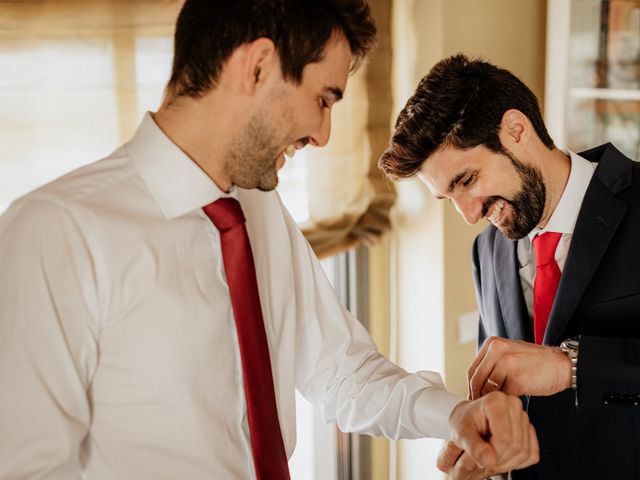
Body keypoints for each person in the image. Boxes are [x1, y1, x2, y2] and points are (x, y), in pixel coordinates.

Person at [0, 5, 539, 479]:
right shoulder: (55, 234)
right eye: (323, 99)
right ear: (257, 66)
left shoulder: (258, 212)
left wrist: (454, 415)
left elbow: (342, 372)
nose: (324, 135)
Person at [379, 52, 640, 479]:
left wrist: (569, 366)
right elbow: (510, 397)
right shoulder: (487, 252)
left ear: (516, 130)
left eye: (466, 180)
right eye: (448, 197)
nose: (468, 215)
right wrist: (486, 444)